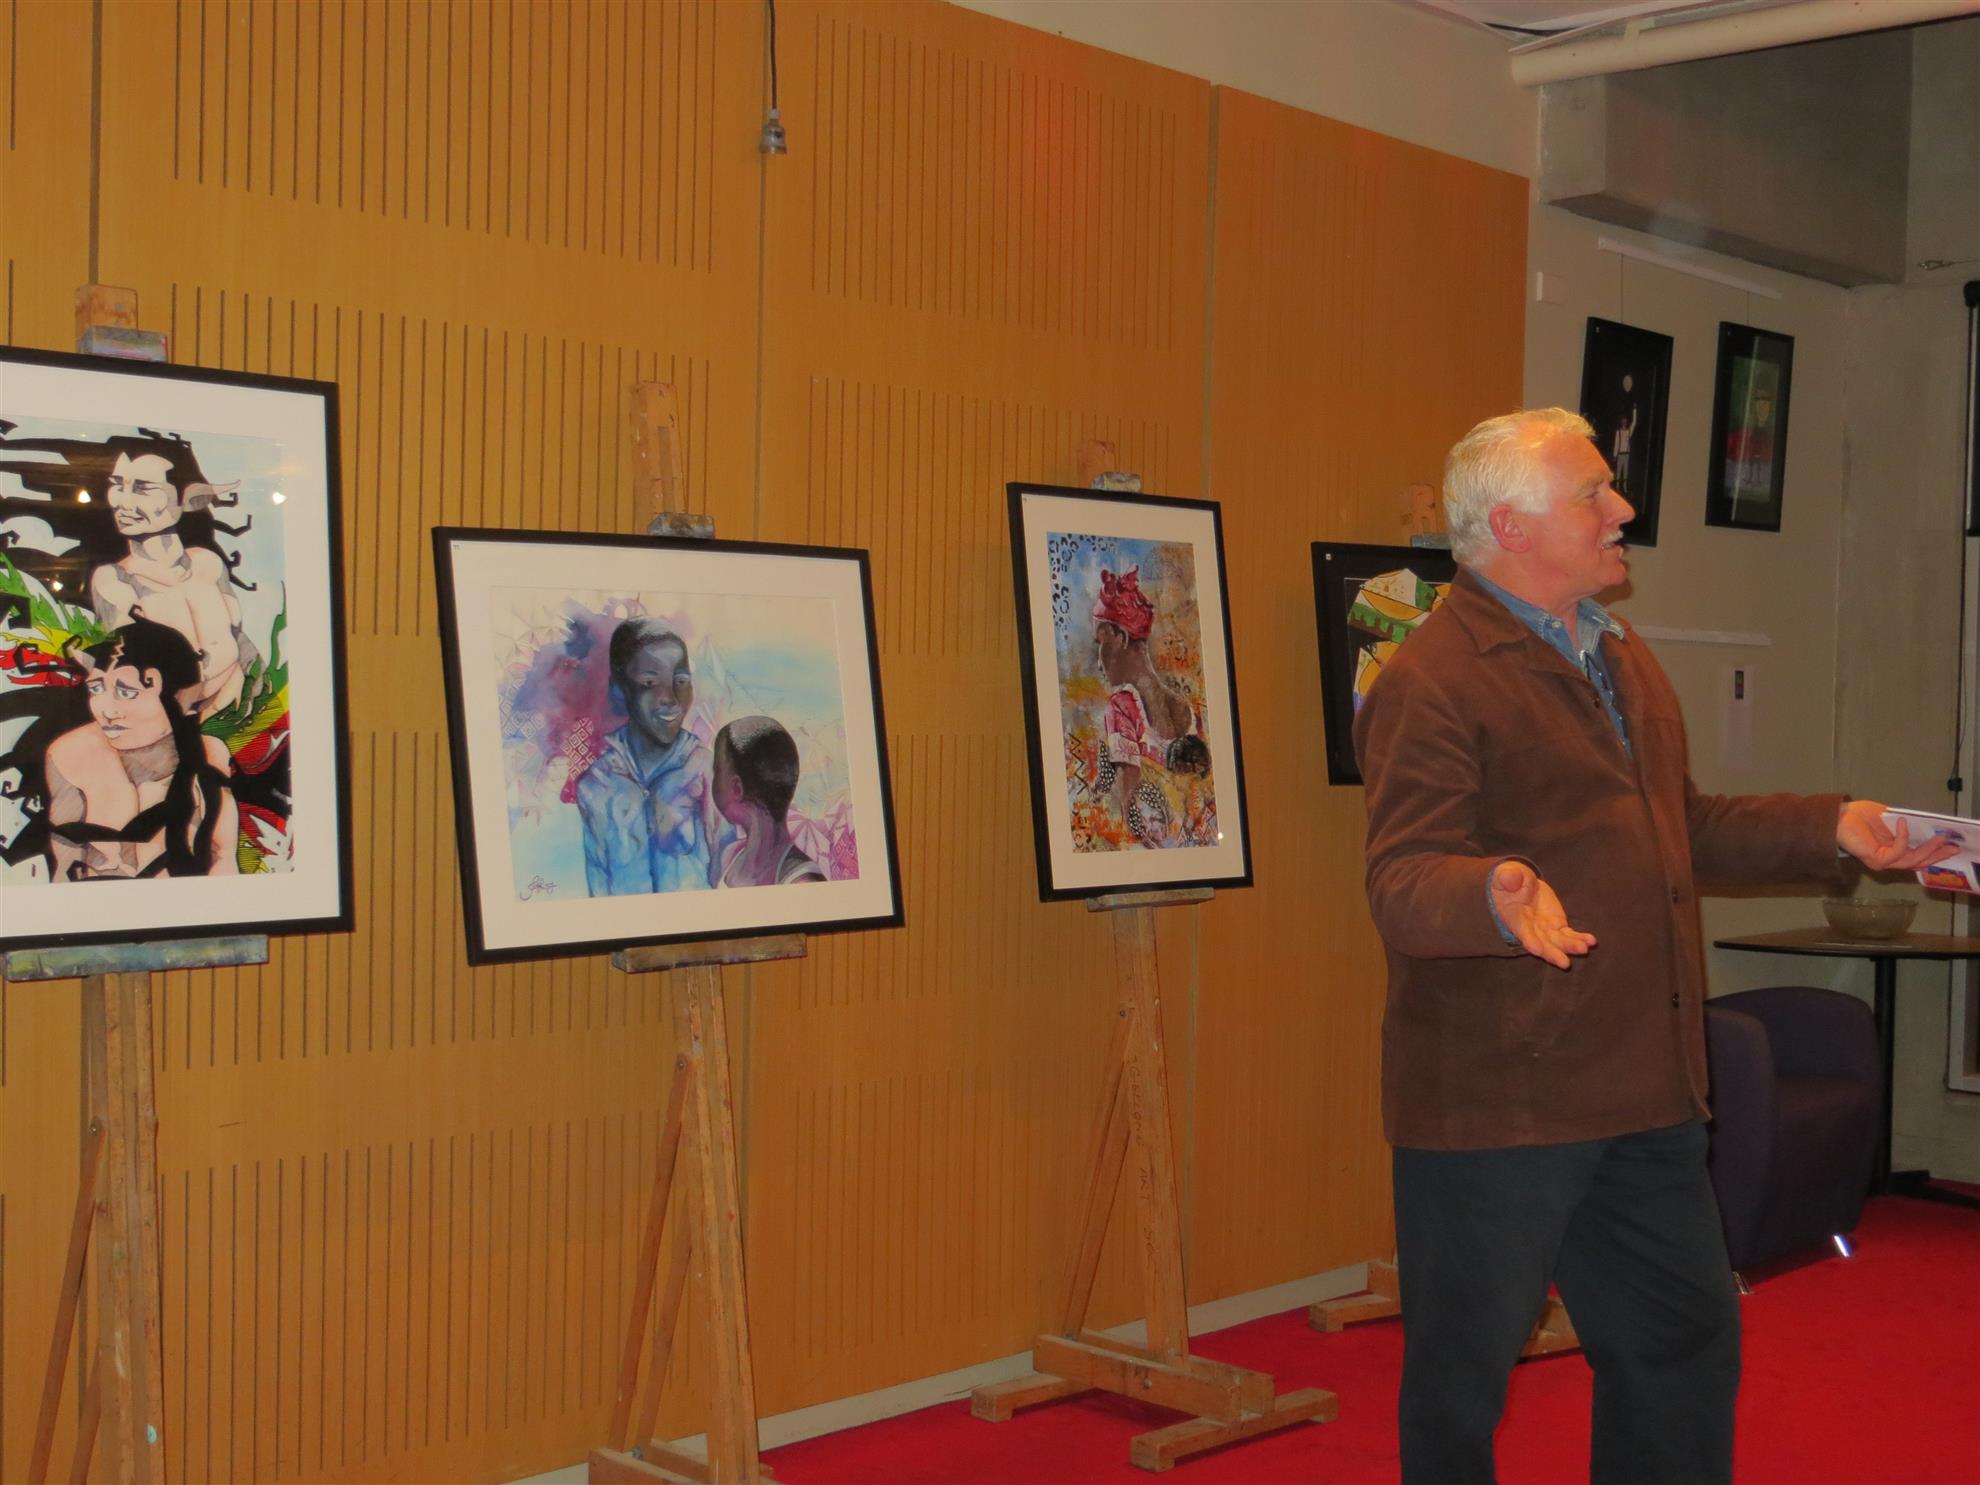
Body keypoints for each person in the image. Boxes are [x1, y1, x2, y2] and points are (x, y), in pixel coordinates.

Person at [1352, 407, 1949, 1485]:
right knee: (1461, 1386)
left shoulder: (1618, 656)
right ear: (1512, 527)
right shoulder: (1431, 679)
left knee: (1681, 1352)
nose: (1621, 509)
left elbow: (1685, 823)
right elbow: (1401, 877)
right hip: (1501, 1102)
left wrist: (1833, 825)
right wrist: (1490, 889)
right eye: (1593, 492)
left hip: (1648, 1089)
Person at [43, 618, 238, 880]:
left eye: (126, 692)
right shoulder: (71, 754)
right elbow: (63, 866)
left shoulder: (209, 753)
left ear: (175, 694)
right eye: (96, 689)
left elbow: (224, 857)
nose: (107, 710)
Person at [87, 433, 256, 721]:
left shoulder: (208, 563)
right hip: (183, 727)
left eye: (142, 488)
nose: (123, 502)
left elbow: (239, 640)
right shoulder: (114, 581)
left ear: (188, 499)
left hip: (248, 706)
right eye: (117, 484)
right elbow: (123, 674)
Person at [574, 618, 717, 895]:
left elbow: (725, 871)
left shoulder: (704, 769)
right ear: (618, 690)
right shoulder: (595, 785)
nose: (670, 698)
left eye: (681, 681)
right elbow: (598, 884)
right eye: (650, 683)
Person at [1090, 567, 1210, 844]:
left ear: (1121, 638)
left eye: (1100, 642)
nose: (1098, 662)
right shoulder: (1191, 711)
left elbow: (1128, 812)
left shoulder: (1121, 708)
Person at [710, 715, 826, 887]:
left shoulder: (803, 882)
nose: (713, 779)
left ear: (736, 788)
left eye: (717, 770)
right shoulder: (731, 856)